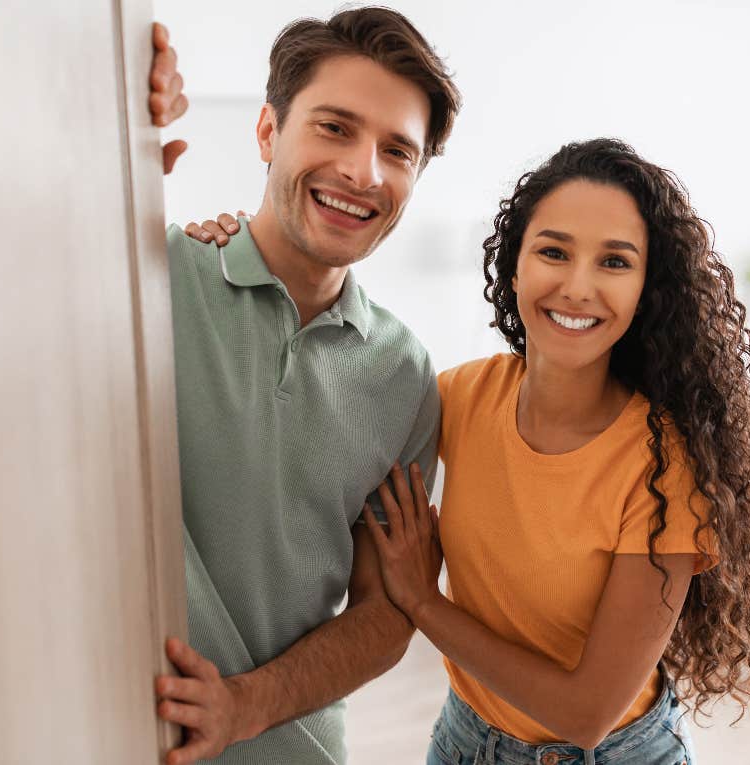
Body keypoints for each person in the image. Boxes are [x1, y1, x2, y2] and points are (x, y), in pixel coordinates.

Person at [188, 139, 750, 764]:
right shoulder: (460, 397)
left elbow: (584, 713)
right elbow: (319, 415)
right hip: (463, 740)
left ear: (647, 290)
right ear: (514, 268)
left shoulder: (665, 466)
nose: (578, 286)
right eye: (554, 252)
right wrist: (228, 254)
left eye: (615, 262)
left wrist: (426, 604)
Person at [147, 8, 463, 765]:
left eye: (399, 150)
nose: (365, 172)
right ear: (267, 132)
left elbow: (387, 612)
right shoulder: (151, 282)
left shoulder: (405, 375)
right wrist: (112, 125)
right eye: (334, 127)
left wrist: (246, 706)